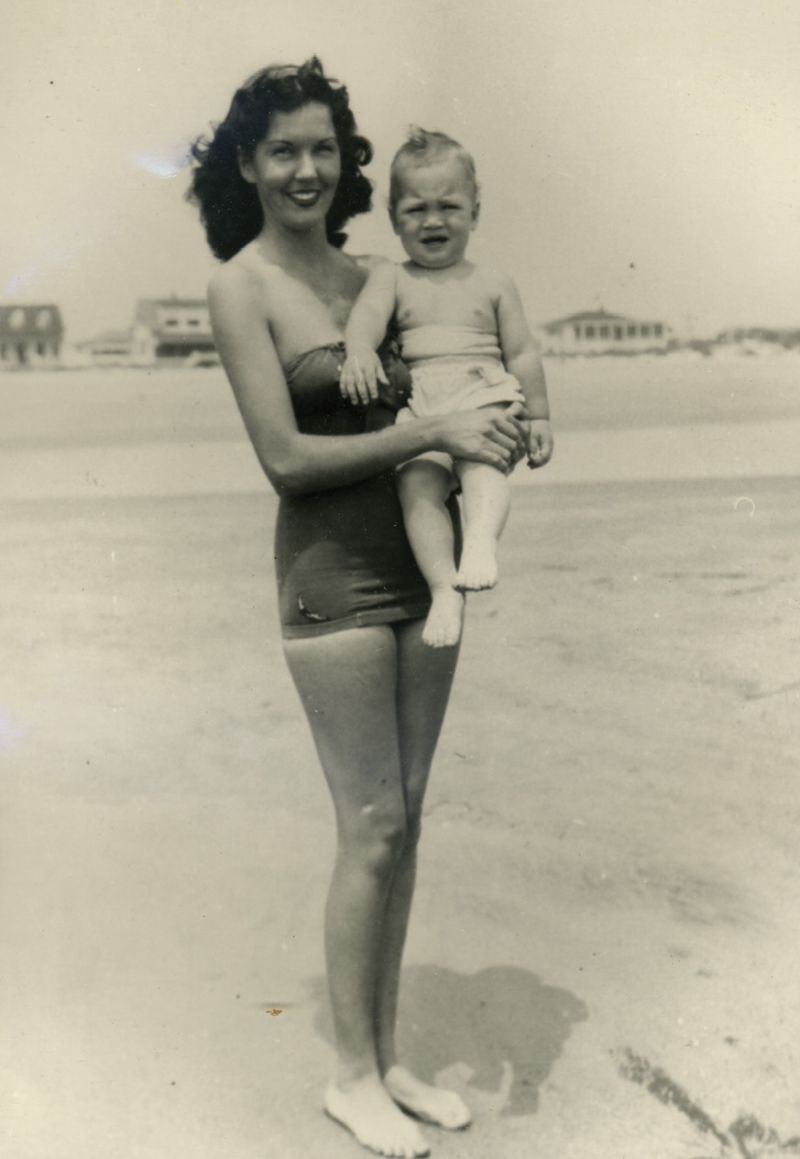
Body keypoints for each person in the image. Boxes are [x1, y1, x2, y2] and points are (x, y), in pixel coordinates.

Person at [187, 59, 528, 1159]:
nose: (304, 168)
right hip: (329, 571)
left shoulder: (377, 269)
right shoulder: (242, 286)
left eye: (323, 148)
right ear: (247, 163)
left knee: (410, 813)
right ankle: (345, 1075)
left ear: (347, 164)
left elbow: (465, 367)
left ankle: (383, 1058)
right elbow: (286, 460)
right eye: (282, 149)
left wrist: (498, 421)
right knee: (368, 825)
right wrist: (432, 435)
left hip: (420, 562)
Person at [340, 128, 554, 649]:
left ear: (475, 212)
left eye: (449, 207)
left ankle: (479, 543)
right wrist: (361, 352)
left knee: (484, 471)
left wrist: (541, 416)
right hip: (425, 405)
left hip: (483, 393)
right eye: (415, 210)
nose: (433, 221)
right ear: (393, 218)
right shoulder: (392, 277)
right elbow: (365, 321)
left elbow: (522, 351)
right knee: (417, 486)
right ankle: (443, 588)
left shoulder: (493, 281)